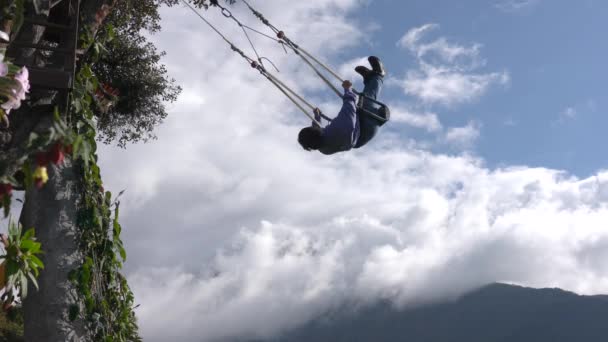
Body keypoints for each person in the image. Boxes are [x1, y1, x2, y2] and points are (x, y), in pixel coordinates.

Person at [297, 56, 387, 155]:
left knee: (361, 104)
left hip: (355, 137)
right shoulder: (340, 127)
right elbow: (349, 108)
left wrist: (317, 117)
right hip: (366, 130)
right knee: (366, 101)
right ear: (319, 133)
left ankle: (368, 79)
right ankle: (378, 75)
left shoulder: (322, 148)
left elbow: (316, 130)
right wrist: (347, 89)